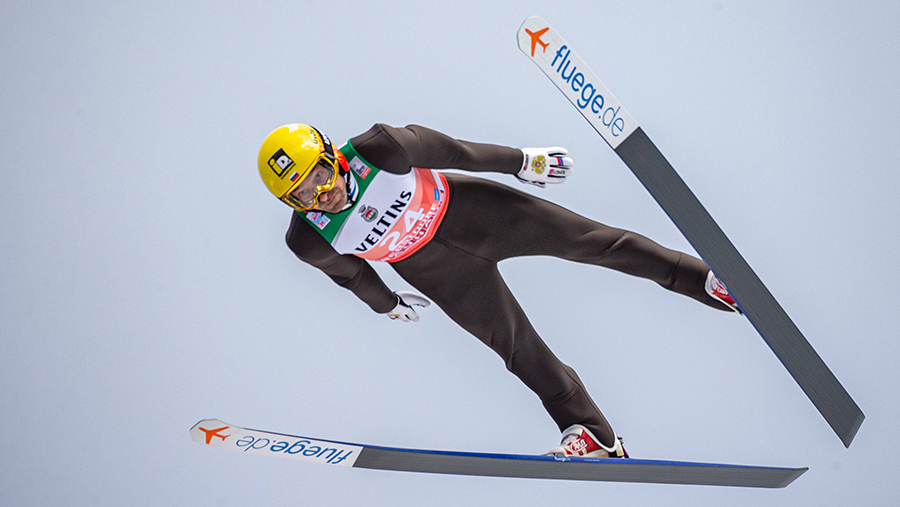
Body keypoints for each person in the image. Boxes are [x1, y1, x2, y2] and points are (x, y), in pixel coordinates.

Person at [257, 123, 740, 458]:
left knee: (594, 243)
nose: (322, 195)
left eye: (319, 176)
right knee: (516, 348)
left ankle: (706, 280)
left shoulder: (379, 149)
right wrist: (387, 304)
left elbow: (457, 152)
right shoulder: (309, 239)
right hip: (441, 273)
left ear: (332, 157)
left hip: (479, 215)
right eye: (303, 194)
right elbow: (351, 275)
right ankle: (593, 434)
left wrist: (521, 161)